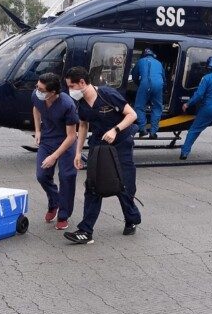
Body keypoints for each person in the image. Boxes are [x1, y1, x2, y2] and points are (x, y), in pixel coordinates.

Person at [63, 66, 141, 245]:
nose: (70, 90)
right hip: (98, 146)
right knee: (93, 185)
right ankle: (85, 230)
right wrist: (77, 152)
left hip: (121, 144)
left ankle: (132, 218)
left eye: (71, 86)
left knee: (124, 185)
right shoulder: (80, 102)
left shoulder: (107, 94)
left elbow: (132, 114)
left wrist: (115, 130)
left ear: (82, 83)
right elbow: (83, 126)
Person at [32, 72, 79, 231]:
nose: (37, 90)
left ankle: (63, 215)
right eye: (37, 86)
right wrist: (38, 130)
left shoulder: (67, 105)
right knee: (42, 175)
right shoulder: (37, 96)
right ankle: (55, 202)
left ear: (53, 92)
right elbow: (36, 109)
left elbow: (72, 136)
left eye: (41, 89)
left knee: (67, 176)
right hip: (47, 140)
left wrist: (54, 156)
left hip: (65, 142)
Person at [130, 49, 165, 139]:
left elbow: (134, 75)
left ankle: (142, 129)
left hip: (145, 83)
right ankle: (153, 132)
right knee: (157, 107)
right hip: (159, 84)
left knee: (139, 106)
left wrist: (139, 84)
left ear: (143, 55)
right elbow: (164, 78)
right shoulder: (159, 63)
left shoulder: (140, 61)